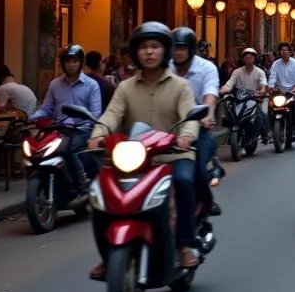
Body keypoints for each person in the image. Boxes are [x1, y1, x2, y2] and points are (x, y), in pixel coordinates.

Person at [88, 22, 200, 274]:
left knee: (183, 181)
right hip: (134, 158)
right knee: (99, 192)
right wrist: (97, 135)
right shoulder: (125, 87)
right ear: (135, 53)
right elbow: (111, 115)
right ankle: (108, 255)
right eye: (143, 47)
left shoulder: (180, 86)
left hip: (172, 155)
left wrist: (186, 136)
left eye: (155, 46)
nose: (149, 52)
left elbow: (190, 117)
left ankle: (185, 244)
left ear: (165, 51)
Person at [32, 45, 102, 194]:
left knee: (68, 149)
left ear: (81, 63)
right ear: (63, 63)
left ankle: (81, 182)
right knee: (37, 149)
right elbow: (46, 109)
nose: (71, 64)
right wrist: (29, 118)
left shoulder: (92, 85)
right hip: (58, 130)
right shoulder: (54, 84)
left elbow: (95, 114)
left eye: (75, 61)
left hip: (82, 130)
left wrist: (86, 122)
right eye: (68, 61)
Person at [172, 26, 221, 217]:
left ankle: (207, 203)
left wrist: (206, 115)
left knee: (198, 172)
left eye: (181, 48)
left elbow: (210, 94)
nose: (177, 52)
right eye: (174, 48)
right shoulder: (164, 68)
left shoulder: (207, 68)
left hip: (198, 128)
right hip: (167, 130)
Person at [269, 42, 295, 137]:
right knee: (270, 106)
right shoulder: (275, 64)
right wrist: (271, 88)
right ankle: (270, 130)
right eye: (282, 50)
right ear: (279, 52)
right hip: (279, 92)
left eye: (286, 49)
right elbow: (272, 78)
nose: (284, 51)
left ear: (290, 52)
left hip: (293, 92)